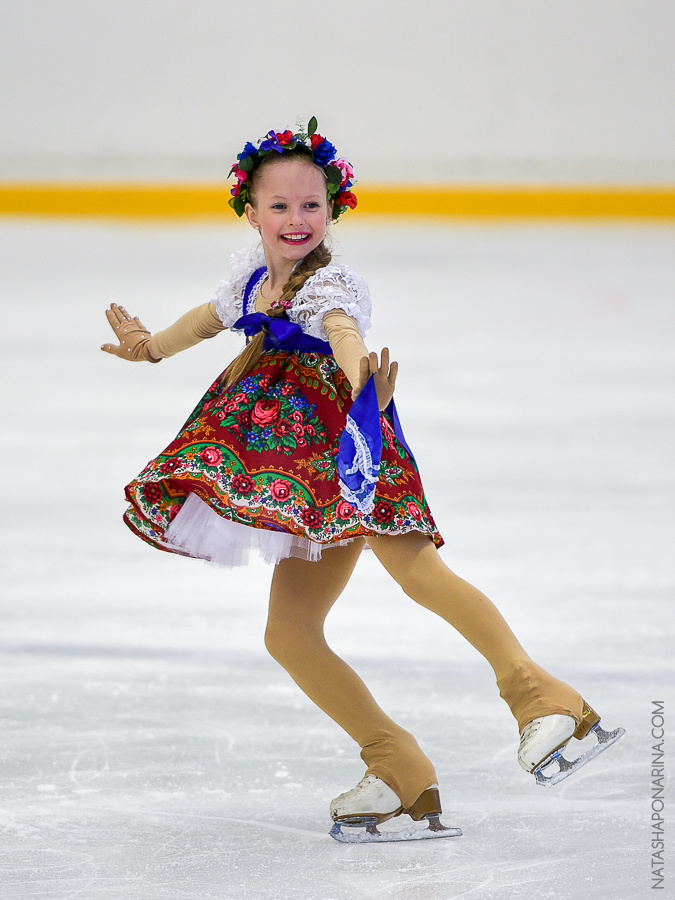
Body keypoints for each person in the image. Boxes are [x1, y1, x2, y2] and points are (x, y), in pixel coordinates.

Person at [102, 119, 622, 841]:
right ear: (249, 212)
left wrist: (361, 388)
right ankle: (396, 763)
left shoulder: (330, 284)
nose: (296, 219)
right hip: (300, 474)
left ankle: (538, 699)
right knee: (289, 634)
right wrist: (150, 349)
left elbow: (344, 333)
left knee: (419, 576)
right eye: (279, 206)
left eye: (310, 205)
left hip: (352, 446)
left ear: (331, 210)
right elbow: (207, 317)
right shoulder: (251, 280)